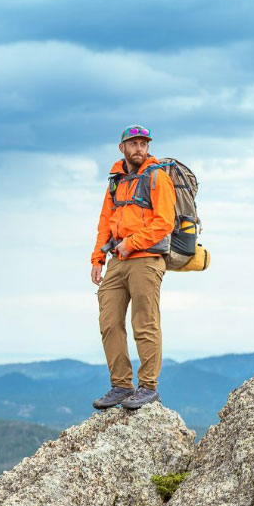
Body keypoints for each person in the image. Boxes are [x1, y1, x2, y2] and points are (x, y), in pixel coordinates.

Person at [90, 125, 175, 410]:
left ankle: (148, 386)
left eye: (143, 143)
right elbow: (105, 220)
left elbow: (165, 222)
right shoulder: (116, 181)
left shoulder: (157, 177)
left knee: (145, 322)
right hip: (118, 260)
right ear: (122, 148)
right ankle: (121, 385)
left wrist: (132, 243)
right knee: (109, 321)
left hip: (147, 258)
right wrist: (97, 259)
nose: (139, 148)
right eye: (133, 143)